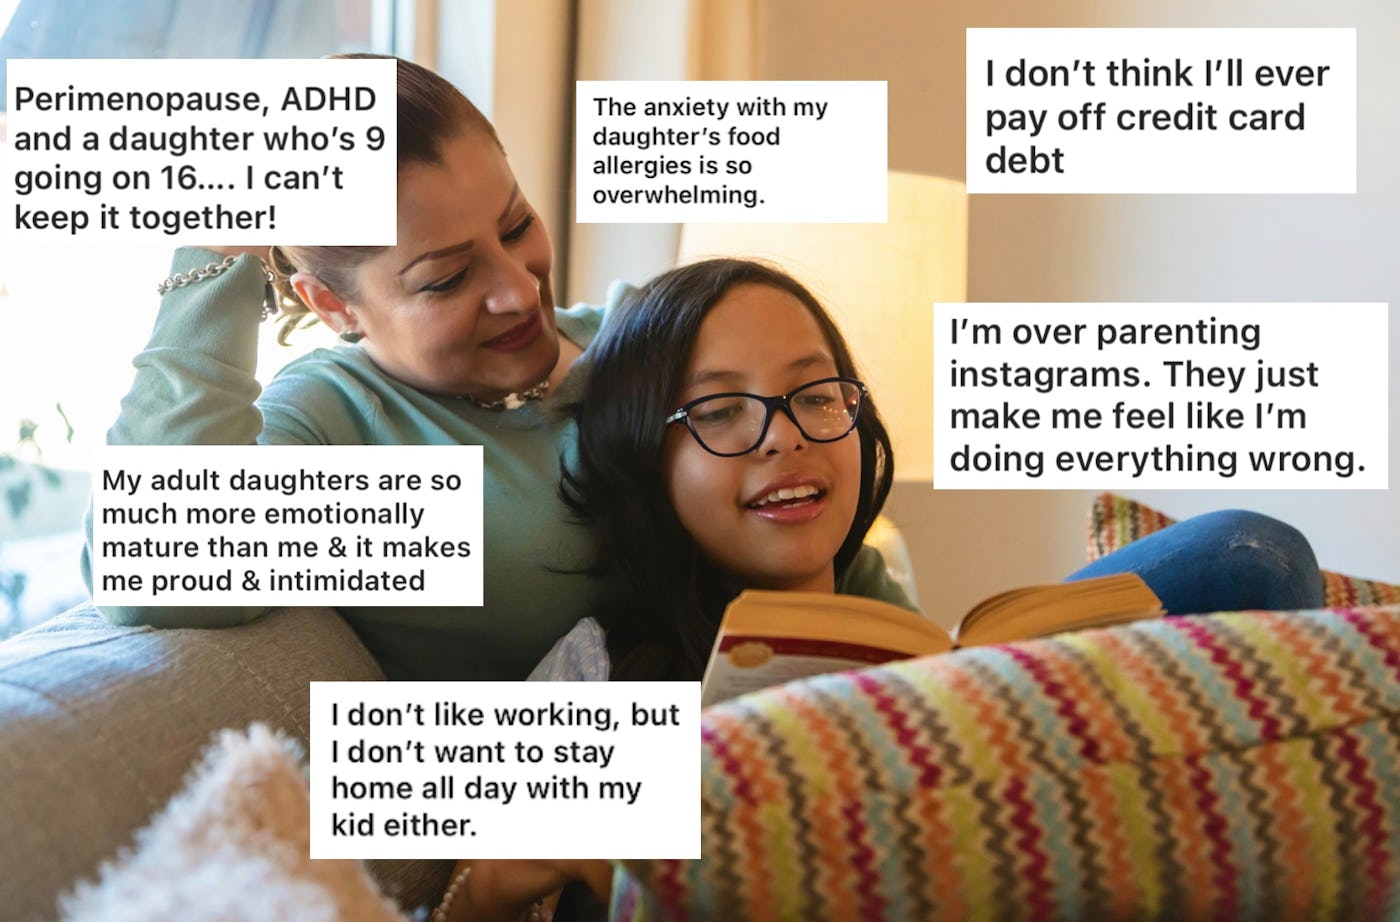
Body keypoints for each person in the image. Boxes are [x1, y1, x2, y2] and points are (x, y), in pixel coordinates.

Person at [79, 53, 645, 681]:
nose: (518, 292)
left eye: (515, 227)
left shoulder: (646, 334)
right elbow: (152, 574)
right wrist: (216, 255)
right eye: (447, 279)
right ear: (331, 304)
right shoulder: (337, 419)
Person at [528, 258, 1326, 684]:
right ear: (640, 457)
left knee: (1251, 550)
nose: (784, 436)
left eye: (814, 392)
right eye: (718, 410)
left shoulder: (923, 648)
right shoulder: (601, 671)